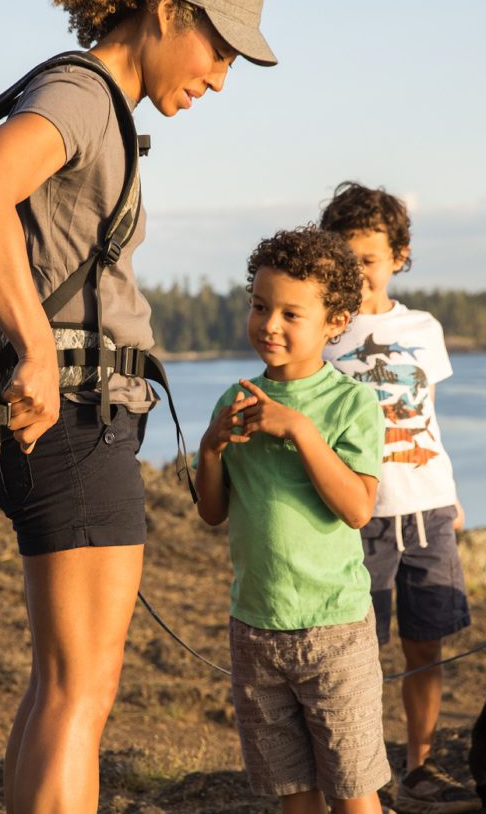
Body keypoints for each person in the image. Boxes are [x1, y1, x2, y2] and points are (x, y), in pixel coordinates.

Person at [0, 0, 277, 811]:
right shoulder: (84, 93)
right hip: (75, 420)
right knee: (79, 692)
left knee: (62, 686)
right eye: (219, 50)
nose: (220, 77)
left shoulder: (89, 98)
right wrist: (38, 353)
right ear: (169, 13)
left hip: (75, 423)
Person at [195, 227, 390, 814]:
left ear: (335, 321)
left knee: (354, 788)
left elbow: (357, 508)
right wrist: (210, 447)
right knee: (291, 793)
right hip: (254, 629)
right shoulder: (235, 398)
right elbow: (212, 512)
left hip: (335, 631)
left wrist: (301, 430)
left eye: (290, 312)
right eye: (259, 306)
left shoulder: (350, 404)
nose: (269, 324)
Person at [321, 182, 480, 814]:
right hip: (358, 517)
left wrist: (455, 496)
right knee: (357, 653)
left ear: (399, 257)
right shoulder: (326, 333)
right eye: (345, 258)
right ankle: (360, 776)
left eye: (369, 259)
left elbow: (427, 416)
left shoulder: (423, 328)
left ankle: (417, 769)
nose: (358, 273)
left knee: (426, 646)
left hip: (430, 507)